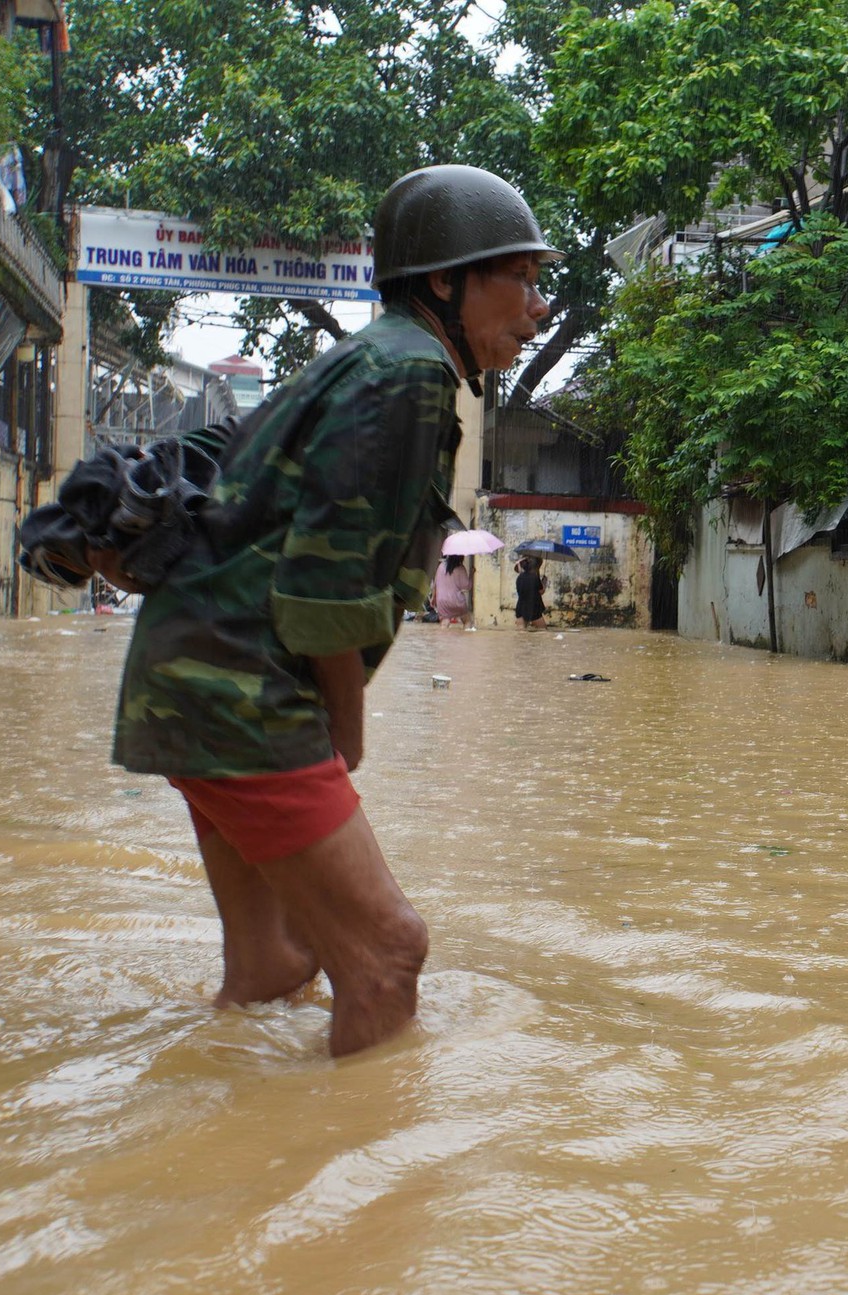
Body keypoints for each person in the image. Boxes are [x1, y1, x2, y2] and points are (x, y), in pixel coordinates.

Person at [99, 164, 557, 1057]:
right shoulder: (410, 375)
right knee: (388, 953)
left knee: (274, 964)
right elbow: (325, 587)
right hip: (243, 697)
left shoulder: (371, 359)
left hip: (190, 680)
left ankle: (241, 1156)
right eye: (522, 278)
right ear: (445, 281)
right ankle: (364, 1188)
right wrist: (344, 733)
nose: (537, 307)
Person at [434, 553, 473, 627]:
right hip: (456, 601)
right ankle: (467, 636)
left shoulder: (441, 566)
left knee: (445, 621)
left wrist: (433, 599)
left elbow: (436, 584)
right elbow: (467, 586)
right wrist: (471, 574)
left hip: (441, 602)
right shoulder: (461, 568)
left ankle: (440, 638)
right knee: (467, 621)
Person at [514, 556, 547, 629]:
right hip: (533, 608)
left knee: (521, 633)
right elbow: (541, 591)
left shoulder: (519, 577)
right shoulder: (534, 578)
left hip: (520, 608)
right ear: (535, 567)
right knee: (543, 630)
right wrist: (544, 583)